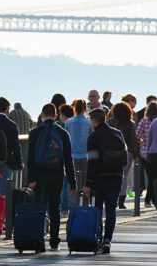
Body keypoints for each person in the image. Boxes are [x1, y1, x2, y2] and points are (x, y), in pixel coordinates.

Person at [27, 103, 76, 251]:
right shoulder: (62, 133)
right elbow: (68, 159)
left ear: (42, 115)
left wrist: (31, 179)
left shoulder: (34, 133)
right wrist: (73, 183)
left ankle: (38, 240)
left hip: (39, 175)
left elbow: (30, 159)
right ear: (55, 116)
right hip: (56, 174)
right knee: (55, 208)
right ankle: (54, 240)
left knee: (39, 208)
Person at [82, 108, 126, 254]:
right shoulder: (117, 133)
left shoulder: (93, 137)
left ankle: (98, 238)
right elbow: (124, 158)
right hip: (116, 176)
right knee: (111, 209)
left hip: (100, 178)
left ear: (94, 121)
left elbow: (92, 162)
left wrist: (88, 183)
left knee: (98, 209)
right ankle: (108, 239)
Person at [0, 97, 23, 196]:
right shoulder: (11, 125)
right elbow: (16, 146)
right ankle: (1, 210)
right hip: (7, 161)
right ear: (7, 108)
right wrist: (19, 163)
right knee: (3, 190)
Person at [107, 102, 139, 209]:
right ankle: (121, 199)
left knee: (112, 174)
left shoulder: (109, 122)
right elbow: (133, 140)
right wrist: (136, 153)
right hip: (127, 152)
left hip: (110, 151)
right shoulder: (130, 123)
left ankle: (112, 197)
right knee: (124, 175)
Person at [65, 99, 92, 209]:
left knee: (73, 184)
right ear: (85, 108)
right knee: (86, 184)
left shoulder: (68, 122)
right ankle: (85, 206)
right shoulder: (89, 122)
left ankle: (73, 207)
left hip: (72, 155)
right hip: (85, 155)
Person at [136, 101, 157, 207]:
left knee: (150, 176)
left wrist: (142, 141)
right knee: (155, 176)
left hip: (144, 152)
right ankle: (151, 199)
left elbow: (137, 134)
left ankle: (150, 200)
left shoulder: (143, 121)